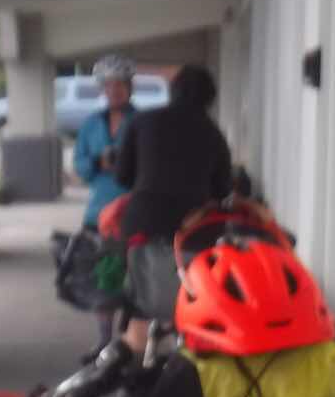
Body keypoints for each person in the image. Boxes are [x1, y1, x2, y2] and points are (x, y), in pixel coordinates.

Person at [115, 64, 232, 357]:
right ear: (210, 99)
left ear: (173, 91)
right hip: (191, 231)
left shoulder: (142, 121)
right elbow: (223, 190)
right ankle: (183, 360)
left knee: (141, 302)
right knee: (190, 298)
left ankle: (133, 361)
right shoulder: (213, 134)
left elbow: (122, 176)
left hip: (142, 224)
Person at [71, 54, 138, 351]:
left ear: (130, 87)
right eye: (109, 86)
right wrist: (99, 161)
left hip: (133, 211)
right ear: (102, 89)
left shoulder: (142, 122)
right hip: (100, 212)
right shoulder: (91, 125)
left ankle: (129, 340)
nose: (114, 91)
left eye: (120, 85)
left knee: (136, 278)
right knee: (105, 277)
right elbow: (80, 166)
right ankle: (104, 341)